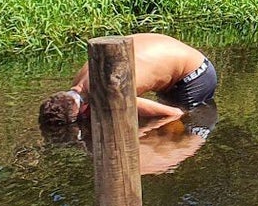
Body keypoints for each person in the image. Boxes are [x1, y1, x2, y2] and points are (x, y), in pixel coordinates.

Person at [38, 33, 218, 132]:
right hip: (178, 61)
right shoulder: (80, 82)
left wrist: (141, 133)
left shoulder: (110, 94)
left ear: (83, 109)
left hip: (196, 75)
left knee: (171, 129)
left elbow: (174, 113)